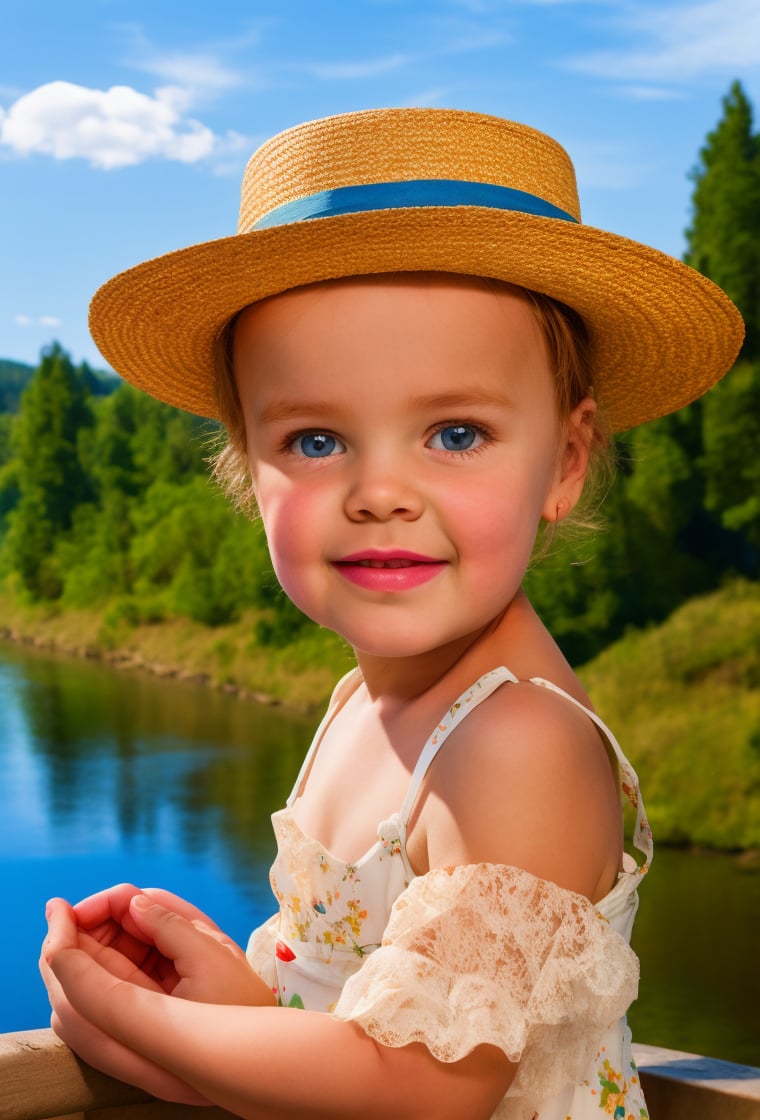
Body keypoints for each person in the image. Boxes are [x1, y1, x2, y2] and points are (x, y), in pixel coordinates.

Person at [40, 108, 742, 1120]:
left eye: (454, 432)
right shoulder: (352, 704)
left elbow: (418, 1086)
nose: (380, 491)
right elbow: (346, 1028)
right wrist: (223, 995)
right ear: (248, 468)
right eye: (317, 440)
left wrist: (135, 1019)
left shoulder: (515, 742)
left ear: (568, 460)